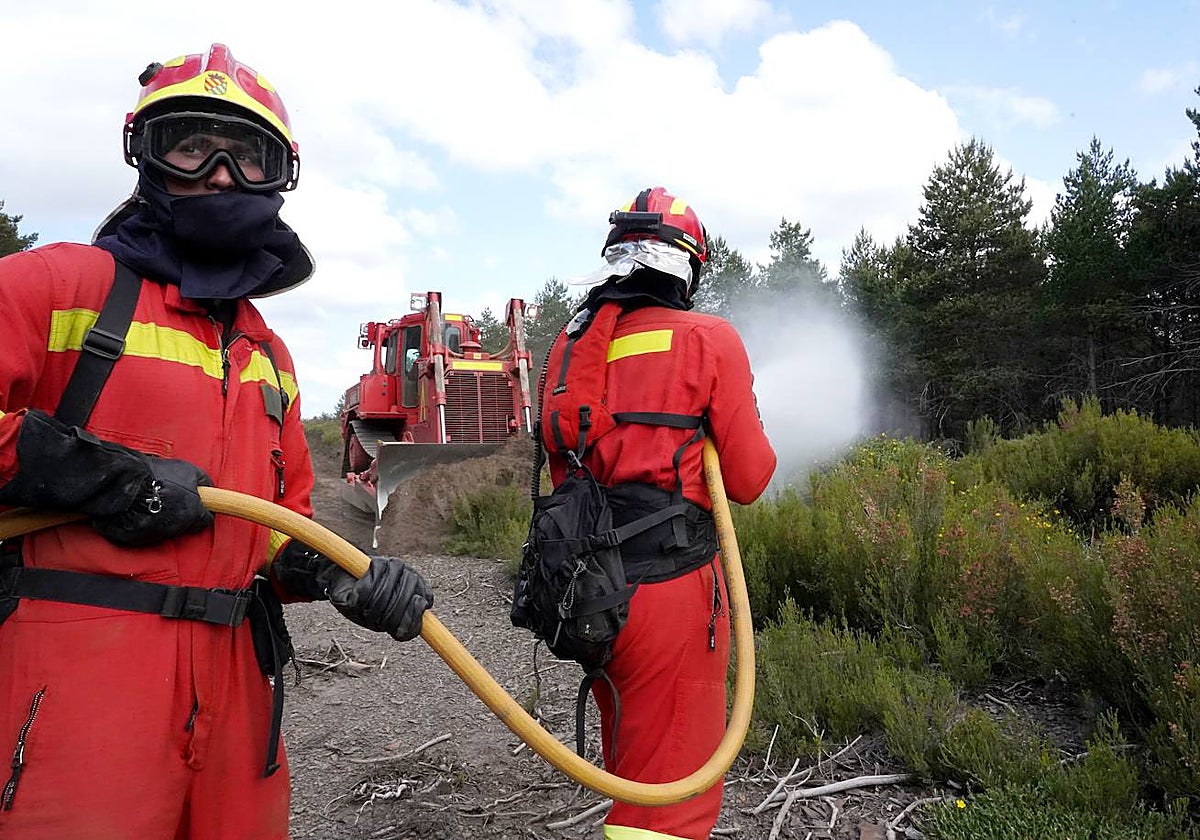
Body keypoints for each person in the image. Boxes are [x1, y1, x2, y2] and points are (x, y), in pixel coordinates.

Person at [0, 44, 433, 839]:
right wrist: (103, 479)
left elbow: (274, 524)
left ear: (281, 175)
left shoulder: (269, 354)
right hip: (79, 688)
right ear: (144, 154)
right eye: (192, 144)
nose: (223, 174)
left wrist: (339, 578)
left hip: (240, 698)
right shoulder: (60, 288)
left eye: (249, 155)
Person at [540, 187, 776, 840]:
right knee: (670, 802)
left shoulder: (568, 348)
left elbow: (567, 473)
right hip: (672, 596)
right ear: (686, 269)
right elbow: (751, 479)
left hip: (591, 596)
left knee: (635, 766)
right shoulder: (709, 340)